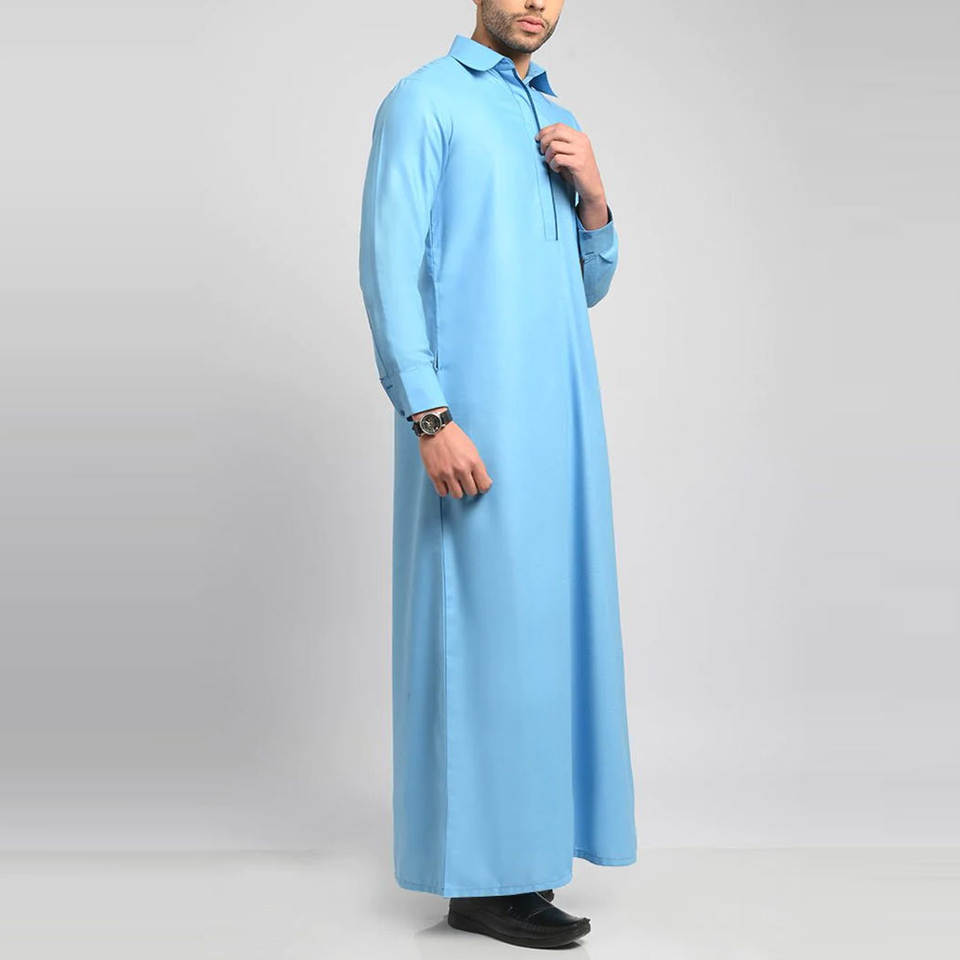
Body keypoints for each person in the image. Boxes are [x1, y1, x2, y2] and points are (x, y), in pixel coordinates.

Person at [358, 1, 636, 949]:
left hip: (561, 422)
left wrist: (595, 199)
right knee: (477, 636)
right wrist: (429, 415)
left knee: (542, 641)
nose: (535, 3)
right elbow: (388, 267)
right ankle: (479, 884)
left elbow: (582, 287)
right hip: (472, 419)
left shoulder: (553, 115)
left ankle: (527, 859)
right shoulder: (424, 102)